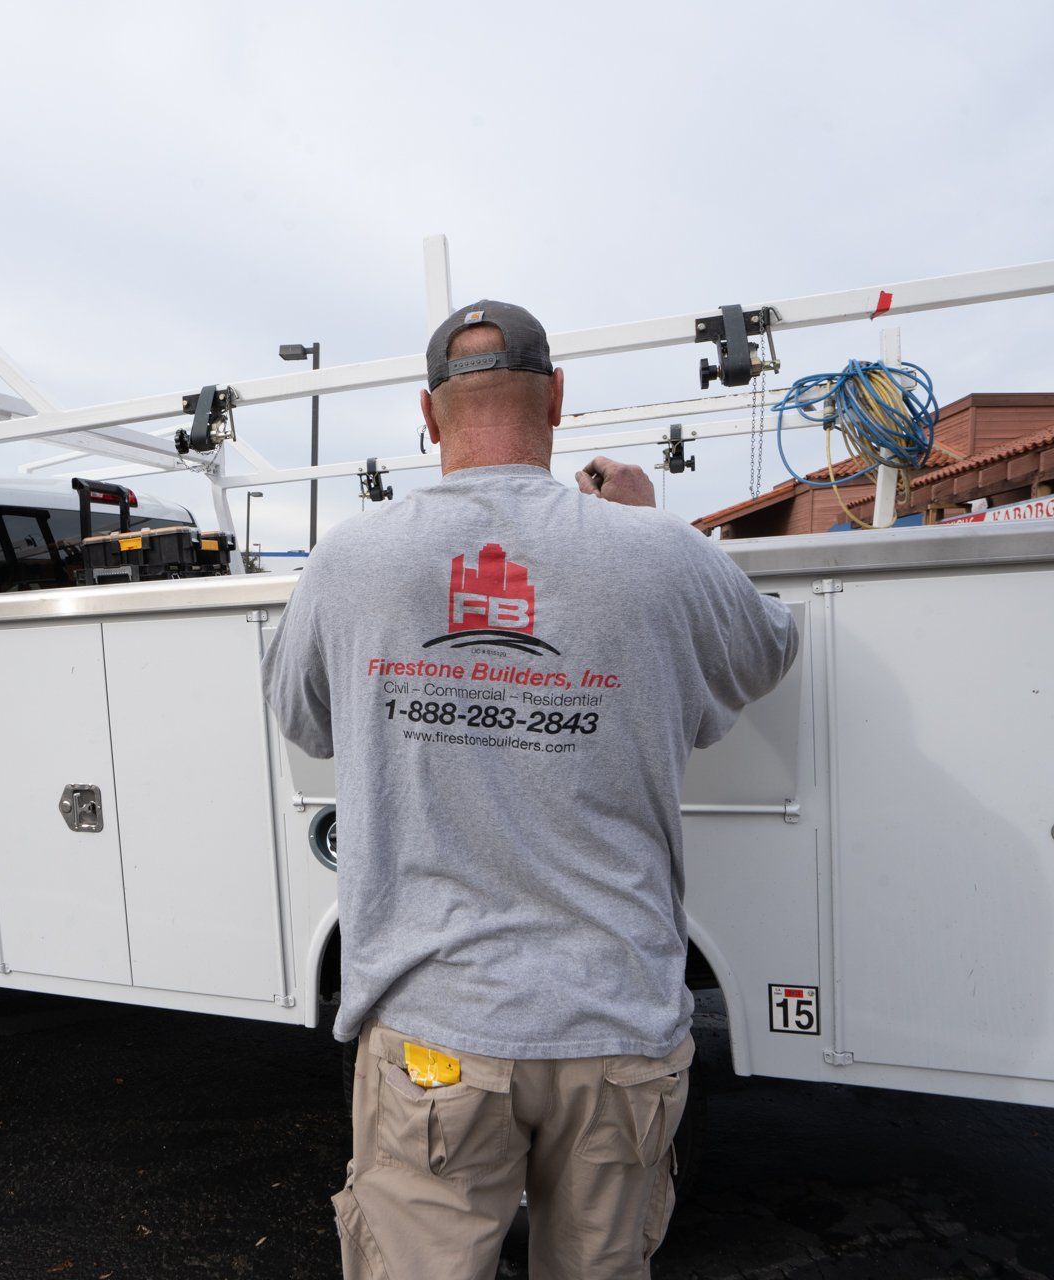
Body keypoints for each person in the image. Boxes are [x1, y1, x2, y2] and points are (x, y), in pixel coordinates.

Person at [262, 300, 799, 1279]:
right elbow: (771, 646)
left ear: (428, 415)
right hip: (619, 1032)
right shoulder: (658, 551)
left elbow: (304, 717)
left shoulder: (351, 555)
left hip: (435, 1038)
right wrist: (643, 530)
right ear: (557, 396)